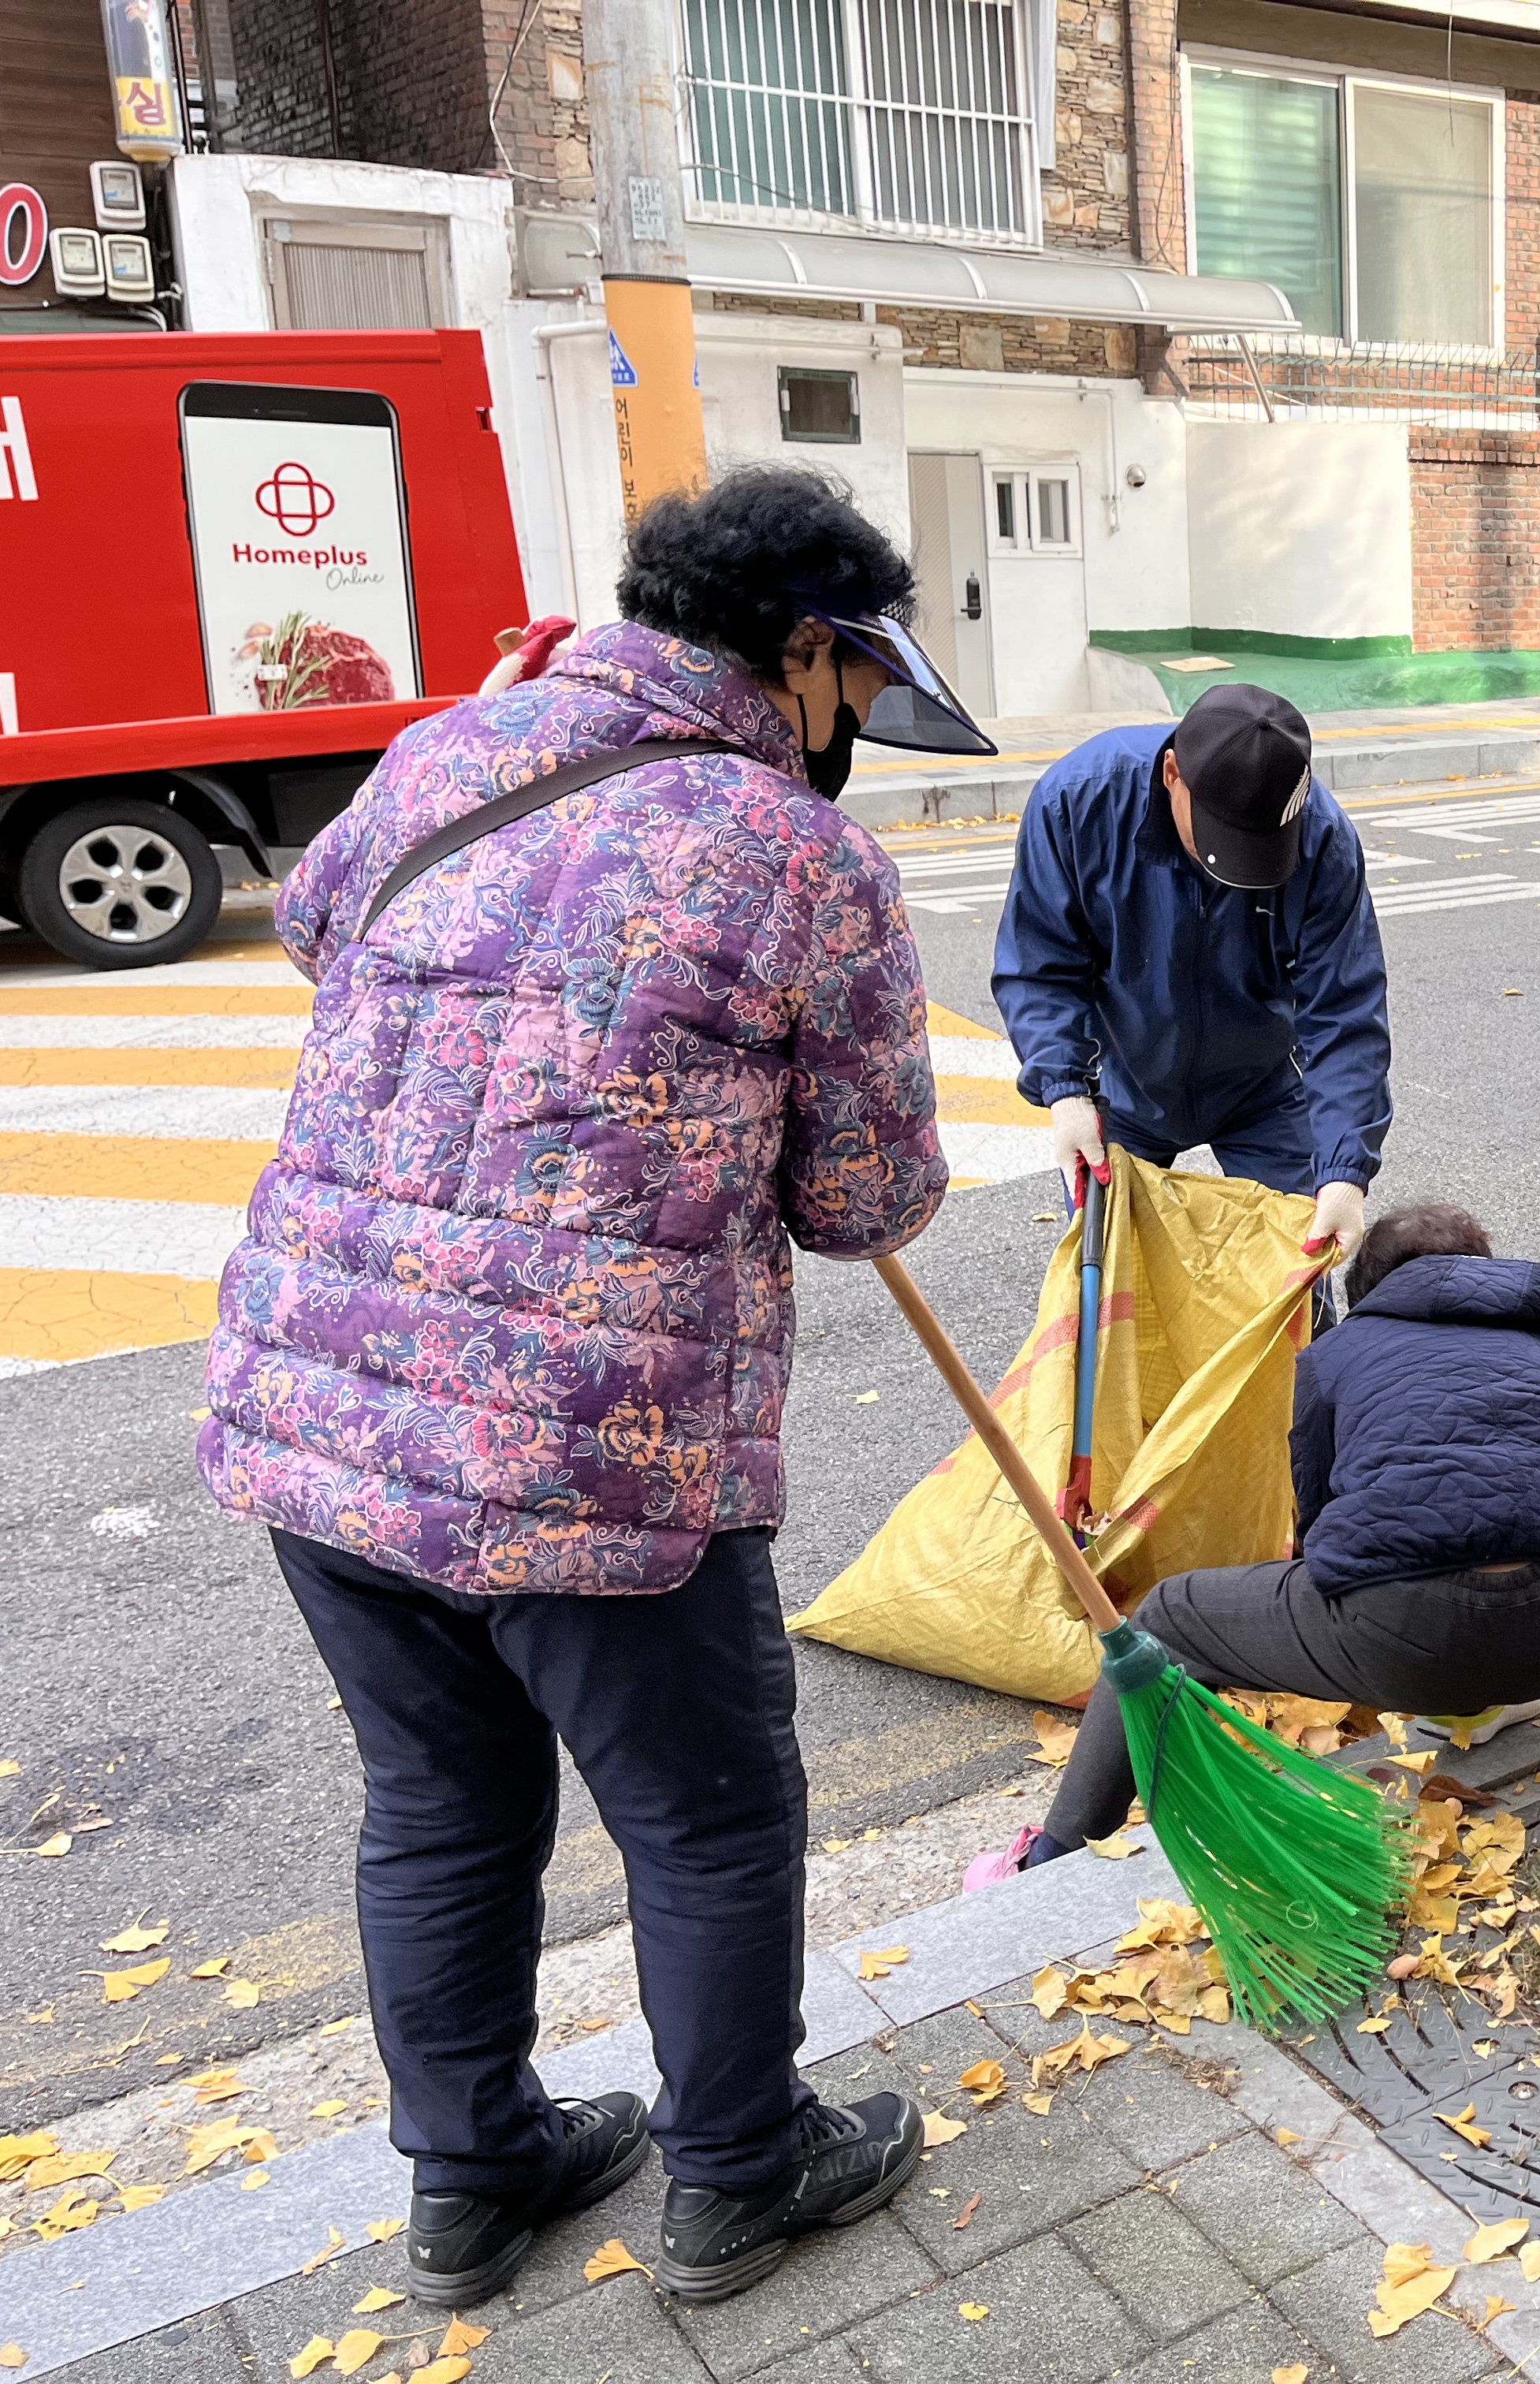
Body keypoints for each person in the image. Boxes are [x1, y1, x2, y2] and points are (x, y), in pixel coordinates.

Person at [199, 468, 976, 2308]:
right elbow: (870, 1198)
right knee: (707, 1817)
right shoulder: (801, 856)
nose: (853, 731)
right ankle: (736, 2173)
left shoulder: (446, 752)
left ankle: (469, 2181)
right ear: (803, 653)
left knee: (441, 1803)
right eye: (856, 692)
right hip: (593, 1458)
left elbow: (324, 936)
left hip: (327, 1420)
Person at [996, 1202, 1540, 1869]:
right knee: (1526, 1525)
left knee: (1171, 1618)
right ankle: (1492, 1703)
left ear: (1369, 1293)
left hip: (1408, 1643)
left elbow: (1318, 1516)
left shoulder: (1337, 1353)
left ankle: (1052, 1854)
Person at [993, 684, 1391, 1261]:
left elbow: (1344, 1013)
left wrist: (1344, 1172)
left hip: (1262, 1088)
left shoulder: (1321, 838)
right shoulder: (1078, 801)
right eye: (1223, 839)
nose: (1236, 866)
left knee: (1293, 1289)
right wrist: (1066, 1093)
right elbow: (1039, 963)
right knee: (1112, 1299)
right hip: (1121, 1087)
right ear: (1172, 773)